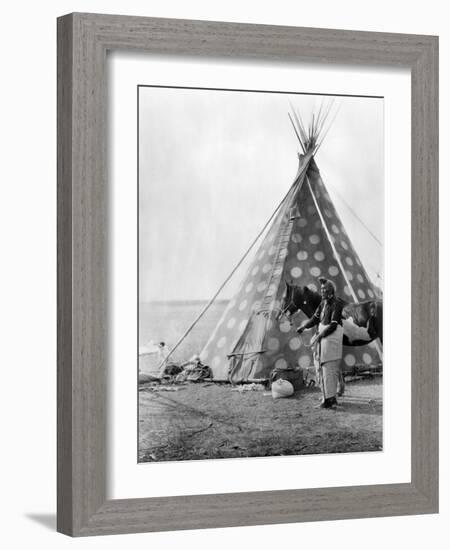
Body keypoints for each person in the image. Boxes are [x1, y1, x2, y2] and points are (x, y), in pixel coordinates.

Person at [296, 277, 344, 408]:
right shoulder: (323, 304)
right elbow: (315, 318)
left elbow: (334, 324)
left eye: (325, 290)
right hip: (323, 338)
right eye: (321, 290)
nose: (322, 292)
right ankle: (327, 398)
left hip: (331, 338)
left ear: (331, 291)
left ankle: (330, 400)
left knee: (329, 369)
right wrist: (304, 327)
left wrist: (320, 336)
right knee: (321, 368)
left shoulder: (336, 304)